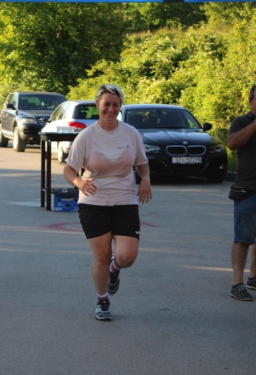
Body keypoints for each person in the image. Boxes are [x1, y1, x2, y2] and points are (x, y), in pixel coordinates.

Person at [63, 84, 152, 321]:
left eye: (115, 104)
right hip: (94, 202)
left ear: (120, 106)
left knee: (126, 257)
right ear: (98, 106)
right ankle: (102, 300)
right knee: (101, 256)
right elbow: (69, 169)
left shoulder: (131, 133)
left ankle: (115, 270)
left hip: (125, 201)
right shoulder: (87, 136)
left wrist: (146, 179)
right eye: (106, 104)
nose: (111, 109)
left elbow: (142, 162)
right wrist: (79, 183)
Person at [226, 84, 256, 301]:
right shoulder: (241, 122)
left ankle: (254, 278)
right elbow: (232, 143)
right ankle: (237, 283)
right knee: (243, 238)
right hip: (247, 188)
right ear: (250, 101)